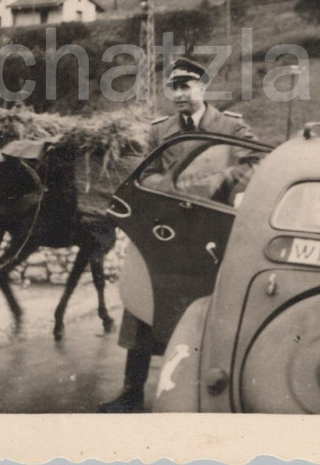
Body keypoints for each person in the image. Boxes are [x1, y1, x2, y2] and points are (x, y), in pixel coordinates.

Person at [98, 56, 257, 413]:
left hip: (211, 230)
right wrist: (165, 185)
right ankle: (132, 392)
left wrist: (221, 181)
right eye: (174, 88)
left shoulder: (229, 126)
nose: (179, 95)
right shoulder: (161, 129)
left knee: (209, 308)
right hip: (169, 230)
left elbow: (255, 161)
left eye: (186, 87)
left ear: (202, 88)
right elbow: (146, 171)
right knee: (143, 302)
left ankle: (209, 394)